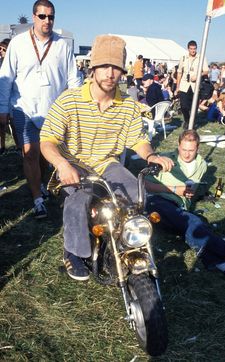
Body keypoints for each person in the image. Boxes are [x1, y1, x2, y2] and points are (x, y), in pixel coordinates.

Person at [40, 34, 174, 281]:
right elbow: (47, 140)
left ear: (123, 71)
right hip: (74, 164)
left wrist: (151, 155)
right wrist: (61, 164)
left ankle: (127, 242)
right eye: (104, 66)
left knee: (136, 194)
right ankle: (73, 252)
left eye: (116, 67)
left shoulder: (128, 105)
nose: (110, 73)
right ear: (93, 69)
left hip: (107, 164)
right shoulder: (69, 100)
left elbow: (138, 140)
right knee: (78, 200)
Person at [0, 0, 81, 219]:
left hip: (53, 110)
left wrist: (77, 105)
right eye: (43, 16)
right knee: (30, 153)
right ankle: (37, 199)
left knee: (46, 155)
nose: (47, 20)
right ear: (34, 17)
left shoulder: (62, 45)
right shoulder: (18, 43)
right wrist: (3, 108)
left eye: (51, 16)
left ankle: (42, 184)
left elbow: (74, 79)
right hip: (23, 108)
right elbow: (6, 78)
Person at [145, 130, 225, 279]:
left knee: (189, 227)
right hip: (157, 202)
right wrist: (174, 190)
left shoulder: (201, 165)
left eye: (191, 150)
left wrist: (189, 195)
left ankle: (219, 263)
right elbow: (145, 184)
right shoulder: (164, 159)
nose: (187, 154)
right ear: (178, 146)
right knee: (193, 222)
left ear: (198, 149)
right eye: (184, 149)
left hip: (179, 206)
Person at [175, 40, 208, 129]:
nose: (193, 51)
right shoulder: (183, 57)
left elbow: (206, 70)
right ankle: (187, 120)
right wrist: (177, 87)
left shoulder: (201, 57)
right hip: (184, 85)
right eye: (191, 49)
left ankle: (191, 124)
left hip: (195, 86)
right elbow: (179, 72)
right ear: (188, 49)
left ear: (196, 48)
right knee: (184, 106)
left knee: (194, 106)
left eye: (194, 49)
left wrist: (198, 75)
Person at [0, 38, 11, 154]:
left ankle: (20, 147)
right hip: (1, 95)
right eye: (0, 48)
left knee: (12, 124)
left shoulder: (11, 63)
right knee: (1, 125)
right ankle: (2, 146)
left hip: (10, 98)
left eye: (4, 49)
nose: (1, 51)